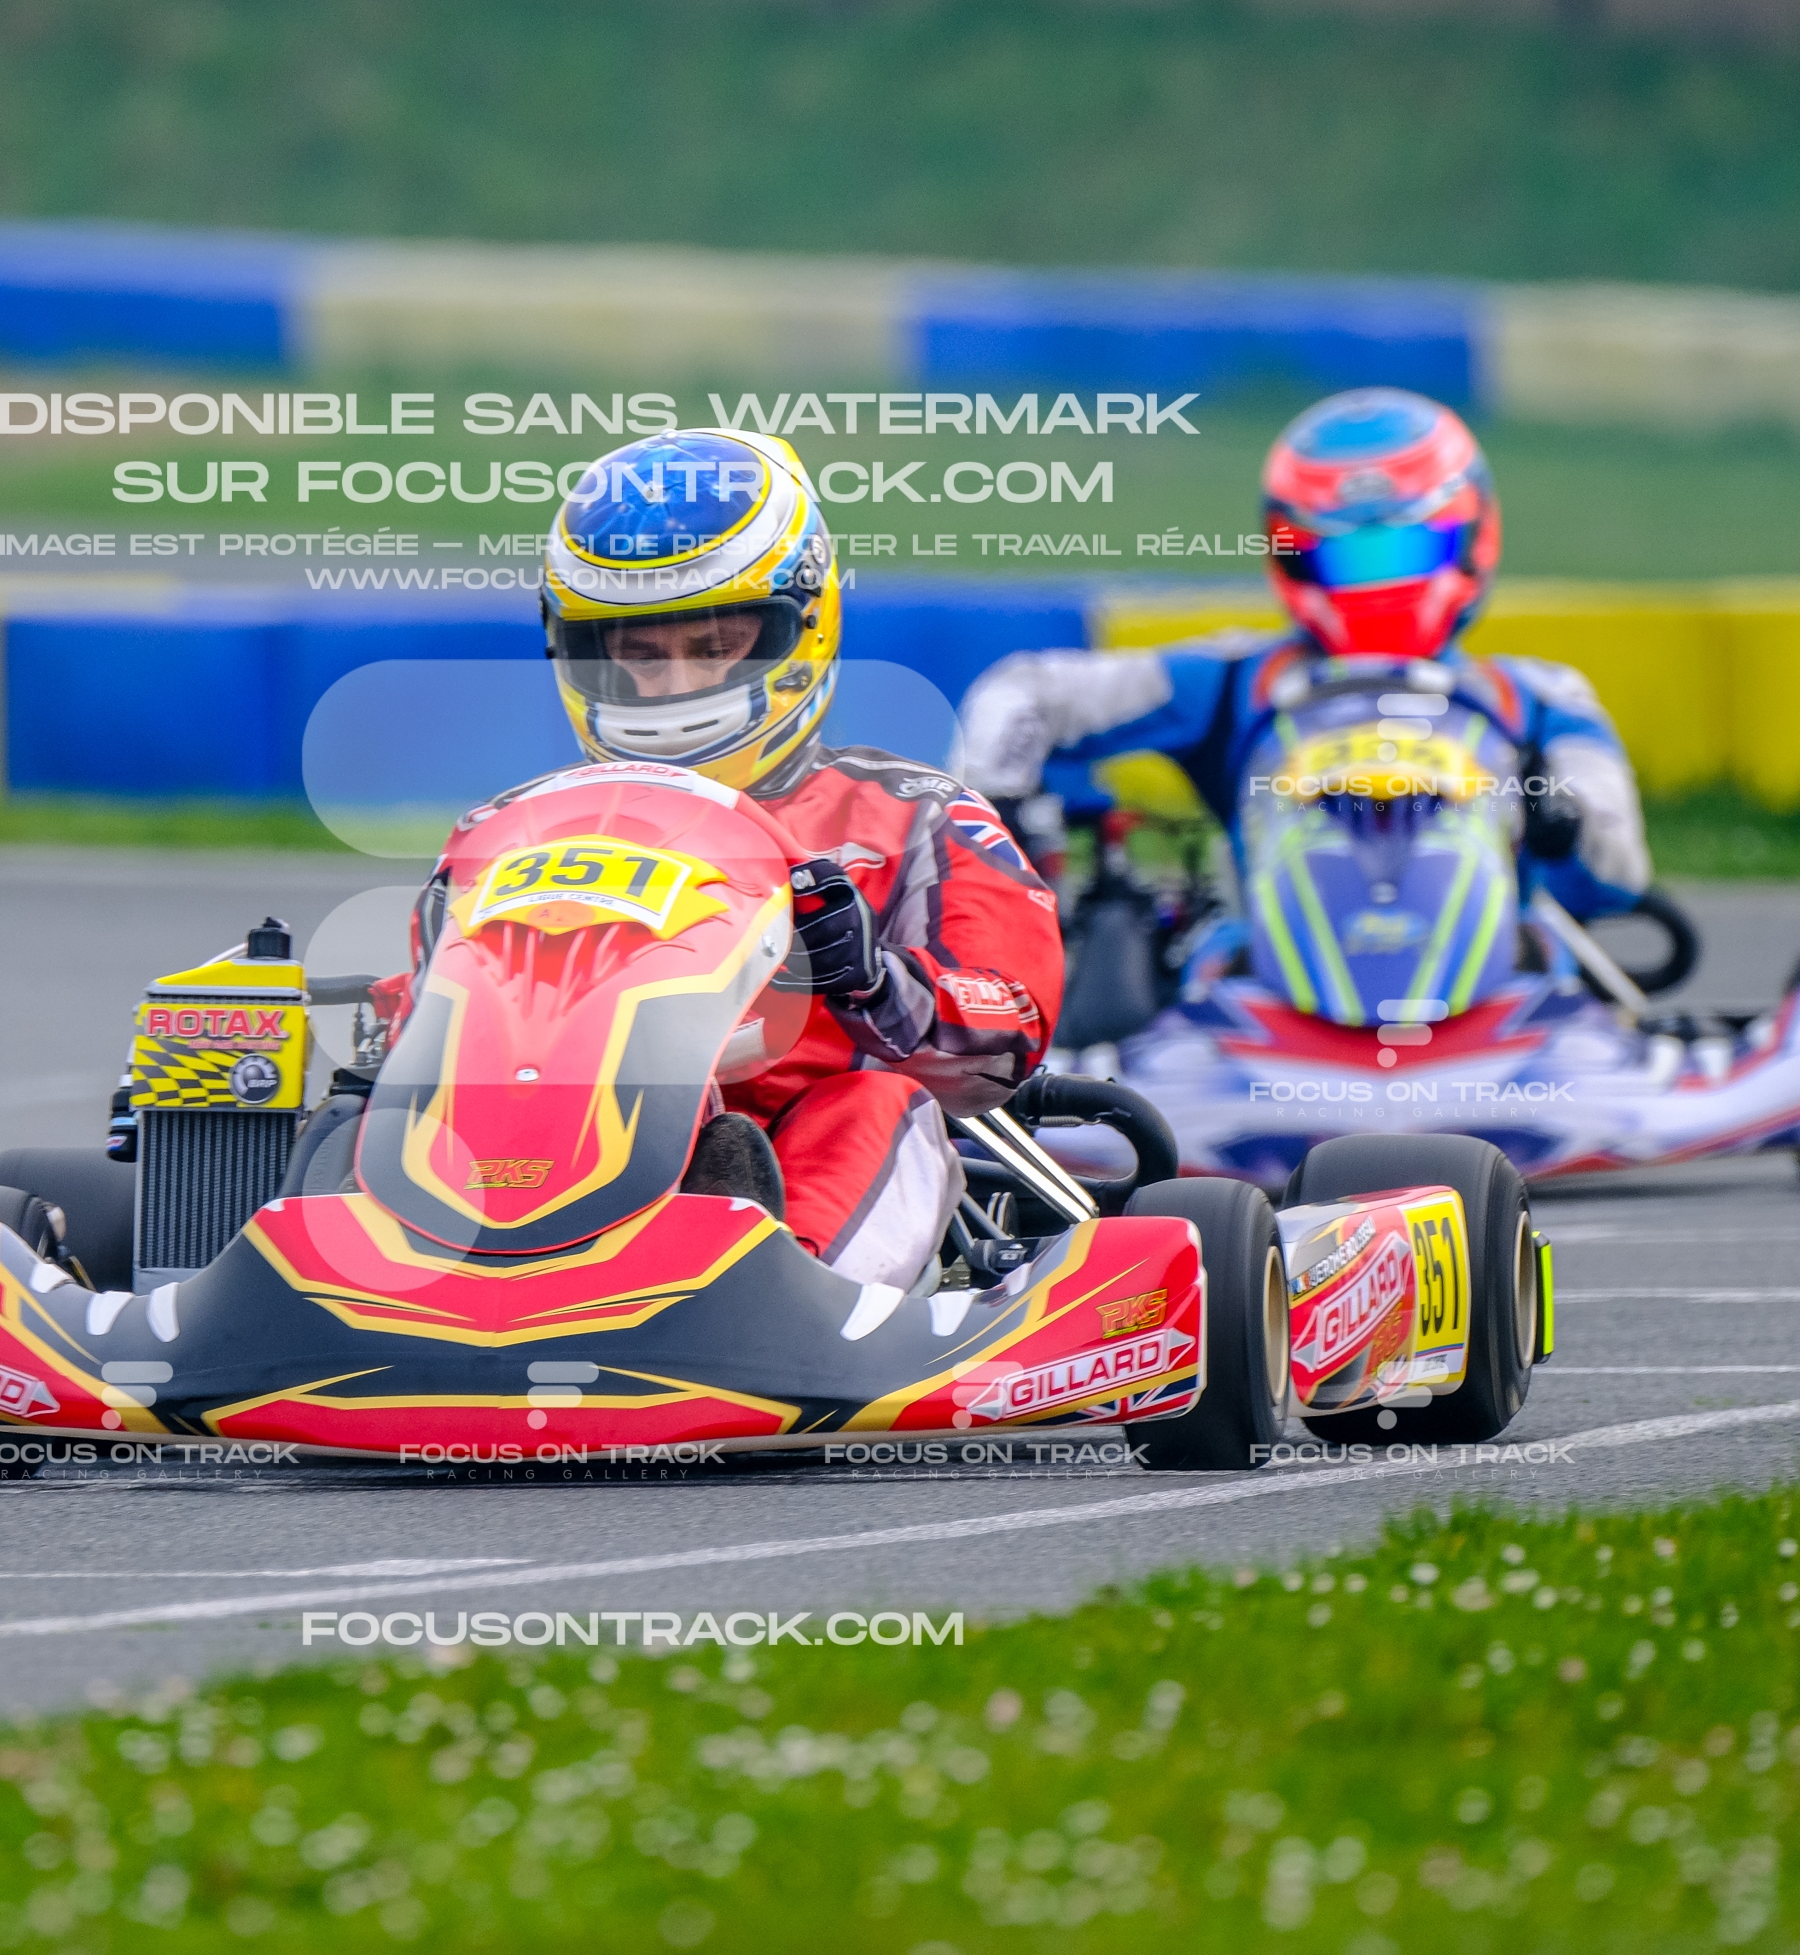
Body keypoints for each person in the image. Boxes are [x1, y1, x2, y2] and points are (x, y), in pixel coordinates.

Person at [404, 428, 1065, 1289]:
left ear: (802, 625)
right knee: (359, 1111)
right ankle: (345, 1289)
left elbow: (1008, 1029)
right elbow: (439, 1032)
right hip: (548, 1152)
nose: (676, 685)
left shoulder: (917, 816)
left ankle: (785, 1302)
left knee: (871, 1104)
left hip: (799, 1163)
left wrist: (872, 978)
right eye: (640, 654)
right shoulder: (511, 831)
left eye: (713, 647)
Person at [957, 388, 1651, 927]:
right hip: (1263, 991)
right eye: (1343, 557)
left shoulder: (1538, 700)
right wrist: (996, 803)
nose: (1375, 584)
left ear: (1474, 540)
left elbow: (1617, 877)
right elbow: (1022, 690)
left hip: (1495, 987)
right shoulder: (1233, 682)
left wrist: (1560, 819)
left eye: (1404, 551)